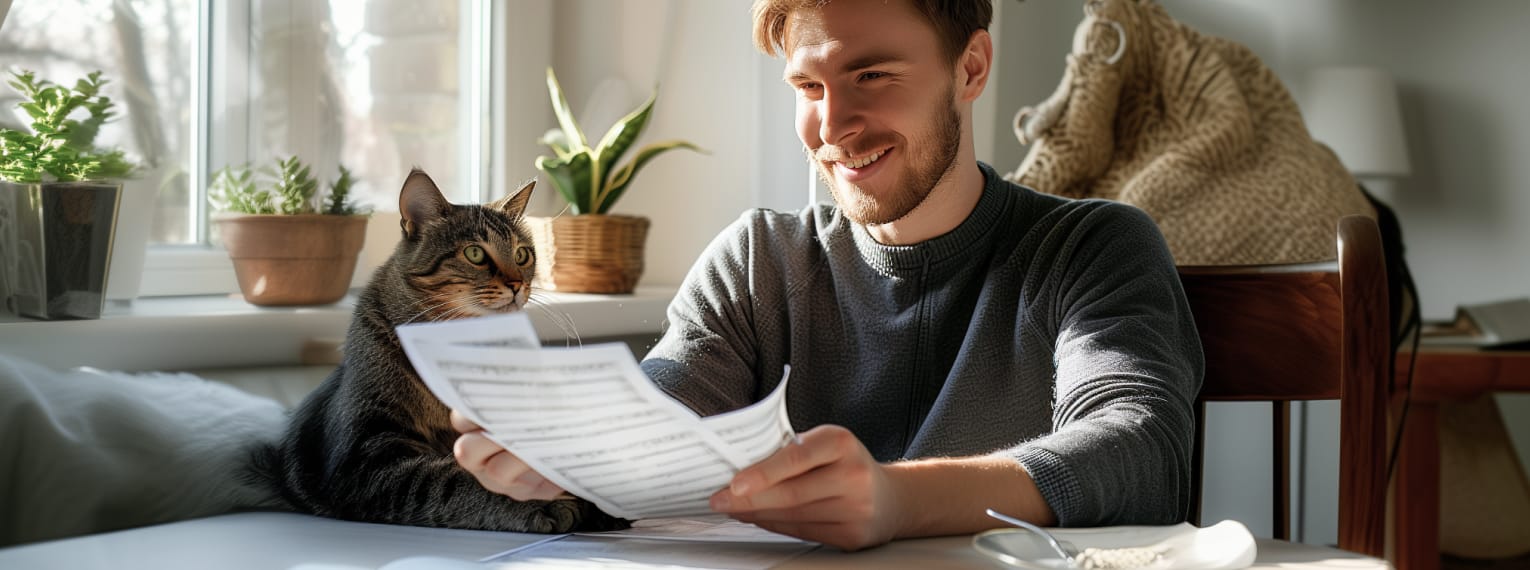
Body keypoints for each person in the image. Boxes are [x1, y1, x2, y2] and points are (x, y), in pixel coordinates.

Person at [451, 0, 1203, 551]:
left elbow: (1137, 449)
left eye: (870, 74)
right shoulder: (757, 261)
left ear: (970, 68)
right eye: (809, 89)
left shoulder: (1094, 247)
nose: (834, 125)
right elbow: (663, 411)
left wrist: (896, 501)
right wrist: (568, 452)